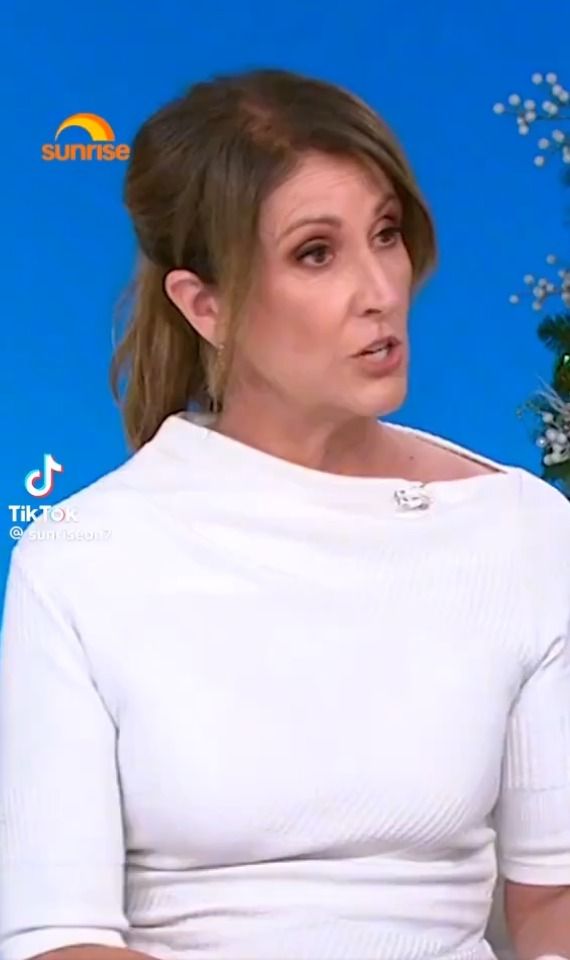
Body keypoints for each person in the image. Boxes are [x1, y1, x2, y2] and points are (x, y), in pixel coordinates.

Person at [1, 66, 570, 960]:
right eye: (316, 253)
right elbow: (58, 940)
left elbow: (553, 900)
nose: (379, 290)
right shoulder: (82, 559)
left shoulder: (523, 530)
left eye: (386, 234)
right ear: (206, 306)